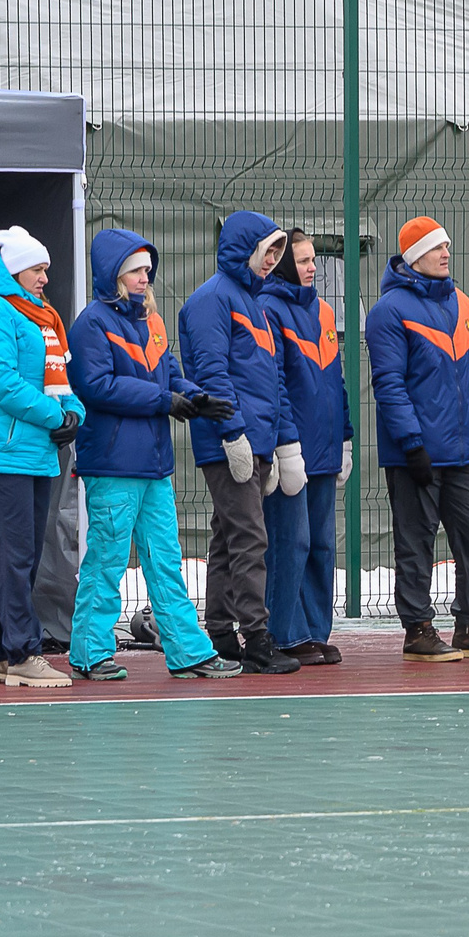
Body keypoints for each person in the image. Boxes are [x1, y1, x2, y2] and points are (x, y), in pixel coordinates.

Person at [65, 228, 238, 681]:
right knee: (106, 560)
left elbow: (170, 373)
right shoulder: (92, 324)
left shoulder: (151, 320)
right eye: (137, 270)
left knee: (165, 561)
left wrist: (194, 397)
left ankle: (188, 653)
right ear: (115, 274)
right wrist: (166, 401)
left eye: (147, 269)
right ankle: (89, 652)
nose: (146, 277)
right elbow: (97, 386)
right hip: (113, 464)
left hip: (153, 465)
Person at [363, 216, 469, 662]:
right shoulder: (389, 311)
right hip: (416, 455)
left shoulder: (462, 303)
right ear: (414, 257)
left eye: (447, 246)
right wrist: (411, 444)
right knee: (416, 542)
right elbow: (389, 383)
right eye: (436, 248)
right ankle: (418, 630)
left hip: (460, 452)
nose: (446, 253)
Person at [177, 209, 302, 675]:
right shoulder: (212, 300)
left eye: (277, 251)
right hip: (231, 442)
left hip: (257, 443)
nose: (272, 260)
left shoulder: (256, 304)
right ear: (243, 248)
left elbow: (274, 382)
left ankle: (222, 631)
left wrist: (285, 445)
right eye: (266, 250)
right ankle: (256, 638)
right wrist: (233, 436)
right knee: (250, 538)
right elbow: (211, 374)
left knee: (230, 540)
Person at [0, 226, 85, 688]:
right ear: (14, 269)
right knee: (13, 556)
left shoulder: (40, 316)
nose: (44, 278)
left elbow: (58, 380)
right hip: (1, 450)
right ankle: (23, 653)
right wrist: (56, 415)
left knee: (21, 557)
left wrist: (73, 412)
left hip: (30, 451)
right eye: (37, 269)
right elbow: (1, 382)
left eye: (46, 269)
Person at [261, 228, 355, 664]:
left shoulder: (321, 309)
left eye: (313, 259)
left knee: (322, 544)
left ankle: (316, 631)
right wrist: (284, 444)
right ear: (282, 265)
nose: (313, 267)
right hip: (293, 450)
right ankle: (285, 631)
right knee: (290, 542)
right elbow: (274, 384)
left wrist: (347, 436)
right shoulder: (269, 309)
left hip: (325, 446)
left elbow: (336, 380)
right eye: (302, 261)